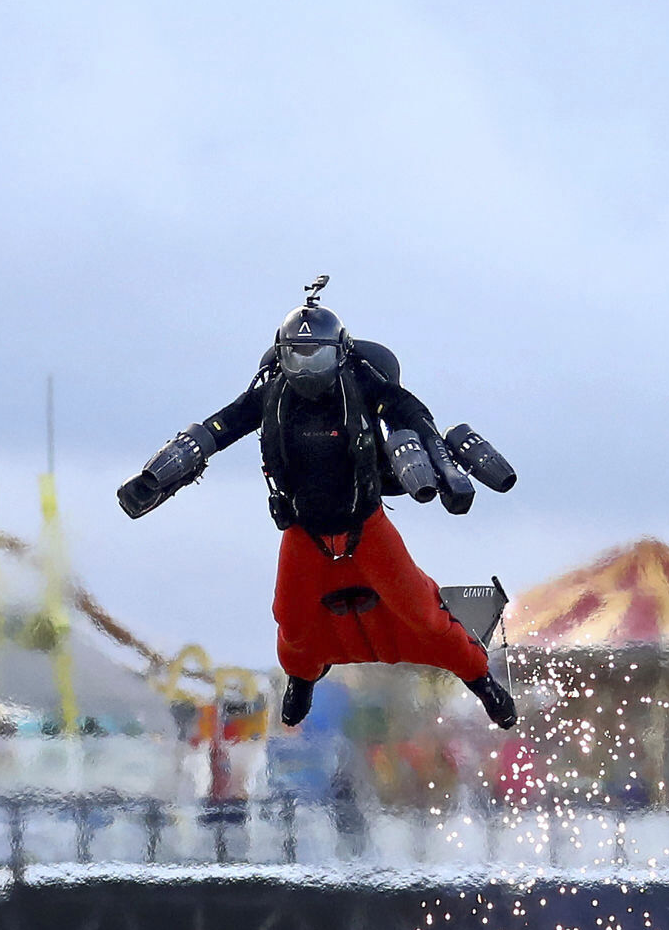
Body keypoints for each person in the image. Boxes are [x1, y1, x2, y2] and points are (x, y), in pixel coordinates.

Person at [117, 281, 524, 730]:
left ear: (340, 353)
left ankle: (483, 682)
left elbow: (410, 412)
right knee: (291, 624)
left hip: (365, 527)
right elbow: (218, 428)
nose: (307, 367)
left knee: (426, 618)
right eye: (297, 355)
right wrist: (155, 476)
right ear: (283, 354)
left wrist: (438, 454)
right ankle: (304, 678)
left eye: (318, 356)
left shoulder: (363, 382)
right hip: (303, 532)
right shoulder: (270, 395)